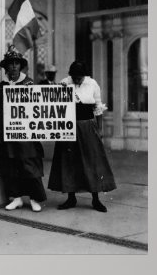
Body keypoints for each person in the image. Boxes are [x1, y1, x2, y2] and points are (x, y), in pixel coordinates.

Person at [48, 61, 116, 212]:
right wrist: (61, 91)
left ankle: (96, 199)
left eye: (80, 78)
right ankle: (71, 198)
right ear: (70, 75)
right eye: (75, 77)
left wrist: (99, 129)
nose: (77, 80)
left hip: (87, 126)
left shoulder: (92, 84)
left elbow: (98, 107)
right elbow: (53, 104)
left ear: (84, 76)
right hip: (68, 125)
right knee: (68, 161)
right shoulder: (64, 83)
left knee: (92, 162)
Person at [0, 45, 46, 212]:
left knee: (28, 164)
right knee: (10, 165)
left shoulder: (29, 83)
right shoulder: (2, 85)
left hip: (26, 133)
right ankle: (16, 198)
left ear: (20, 65)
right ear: (6, 66)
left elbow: (39, 108)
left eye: (16, 63)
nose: (13, 66)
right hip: (8, 133)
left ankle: (35, 198)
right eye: (10, 63)